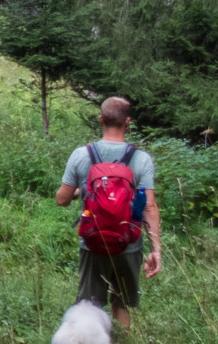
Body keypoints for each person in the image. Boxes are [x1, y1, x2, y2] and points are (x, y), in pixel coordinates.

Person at [54, 96, 162, 329]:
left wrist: (80, 192)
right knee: (121, 303)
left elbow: (61, 199)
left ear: (101, 119)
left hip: (93, 241)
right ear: (128, 122)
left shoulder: (81, 155)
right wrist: (156, 250)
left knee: (89, 305)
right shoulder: (141, 159)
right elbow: (149, 207)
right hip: (129, 245)